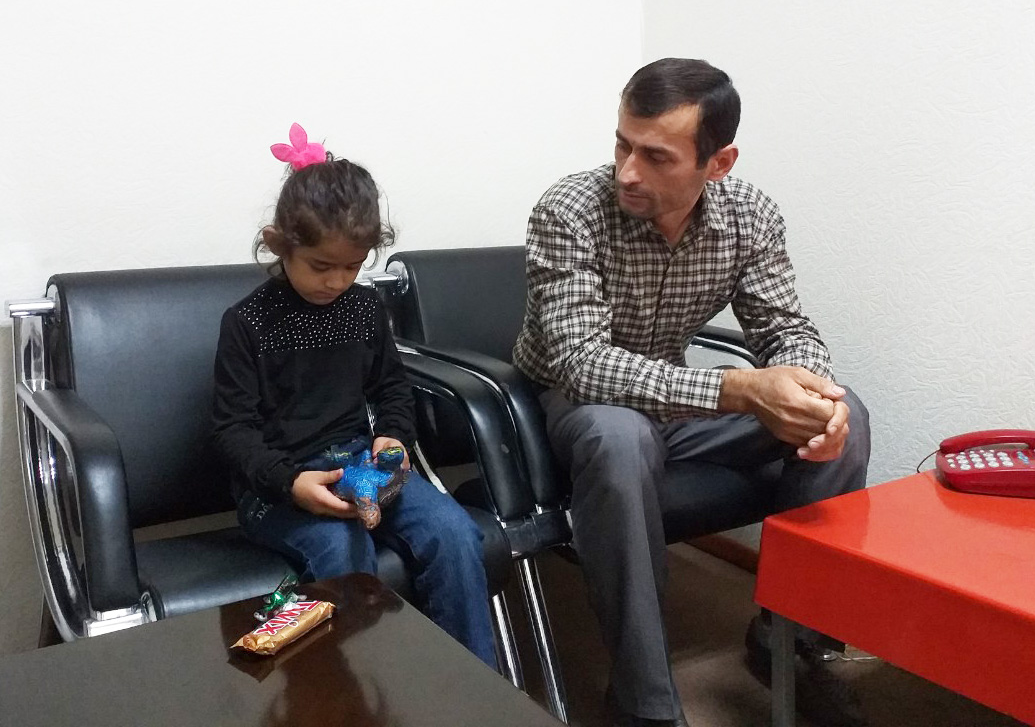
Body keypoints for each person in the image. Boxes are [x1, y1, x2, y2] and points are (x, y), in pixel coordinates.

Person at [512, 59, 871, 726]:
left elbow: (785, 326)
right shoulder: (569, 210)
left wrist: (812, 392)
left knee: (845, 412)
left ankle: (789, 641)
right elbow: (583, 364)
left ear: (718, 162)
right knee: (619, 435)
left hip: (678, 401)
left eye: (656, 156)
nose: (627, 171)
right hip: (574, 400)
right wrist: (741, 388)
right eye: (622, 144)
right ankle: (643, 702)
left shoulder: (750, 215)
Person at [212, 123, 497, 669]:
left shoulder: (364, 309)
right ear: (278, 243)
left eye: (352, 266)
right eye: (321, 266)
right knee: (344, 551)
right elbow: (232, 430)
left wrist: (393, 438)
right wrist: (291, 484)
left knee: (454, 533)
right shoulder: (247, 323)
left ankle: (471, 684)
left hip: (361, 466)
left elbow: (392, 388)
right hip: (278, 486)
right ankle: (355, 694)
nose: (337, 281)